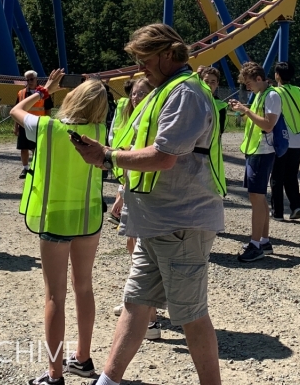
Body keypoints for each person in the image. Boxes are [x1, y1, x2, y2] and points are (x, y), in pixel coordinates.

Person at [71, 23, 225, 385]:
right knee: (136, 303)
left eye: (145, 59)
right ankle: (107, 381)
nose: (141, 68)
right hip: (157, 220)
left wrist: (107, 157)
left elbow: (165, 156)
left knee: (190, 314)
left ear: (170, 54)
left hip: (180, 221)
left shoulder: (184, 92)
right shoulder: (164, 90)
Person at [12, 79, 108, 384]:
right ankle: (83, 358)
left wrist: (43, 90)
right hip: (87, 216)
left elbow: (16, 110)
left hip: (54, 217)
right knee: (84, 287)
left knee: (55, 295)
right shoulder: (101, 133)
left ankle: (54, 374)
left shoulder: (47, 128)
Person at [106, 76, 161, 339]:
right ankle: (138, 303)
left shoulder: (153, 123)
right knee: (132, 246)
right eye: (135, 94)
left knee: (144, 252)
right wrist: (121, 193)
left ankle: (149, 318)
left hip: (148, 196)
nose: (137, 98)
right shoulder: (132, 120)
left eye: (142, 93)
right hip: (132, 191)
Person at [228, 61, 281, 263]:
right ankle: (264, 241)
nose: (247, 87)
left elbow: (268, 125)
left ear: (259, 79)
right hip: (255, 150)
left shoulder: (272, 95)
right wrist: (245, 110)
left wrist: (246, 111)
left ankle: (256, 244)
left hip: (263, 151)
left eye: (249, 83)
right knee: (259, 199)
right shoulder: (261, 94)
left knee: (256, 199)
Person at [271, 62, 300, 221]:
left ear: (277, 75)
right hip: (299, 138)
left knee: (276, 176)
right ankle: (296, 205)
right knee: (291, 175)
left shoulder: (274, 92)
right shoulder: (298, 90)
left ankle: (277, 212)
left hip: (282, 139)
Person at [14, 70, 54, 179]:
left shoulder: (45, 92)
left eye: (31, 79)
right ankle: (26, 168)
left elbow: (48, 109)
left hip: (38, 124)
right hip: (23, 124)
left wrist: (47, 123)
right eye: (27, 79)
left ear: (36, 79)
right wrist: (16, 126)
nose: (29, 81)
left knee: (36, 148)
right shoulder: (21, 93)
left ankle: (36, 166)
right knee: (23, 148)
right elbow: (16, 110)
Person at [197, 66, 227, 135]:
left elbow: (219, 131)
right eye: (206, 81)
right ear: (201, 82)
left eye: (213, 82)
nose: (209, 85)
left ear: (217, 84)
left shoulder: (220, 106)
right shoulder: (194, 101)